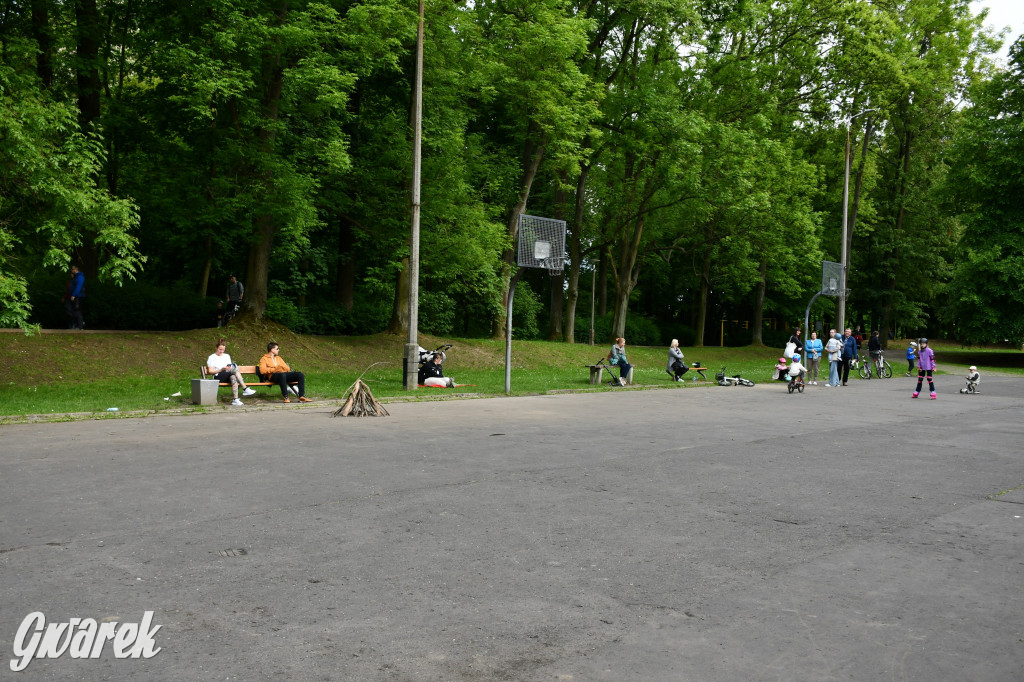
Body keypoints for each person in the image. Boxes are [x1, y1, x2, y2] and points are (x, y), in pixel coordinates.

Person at [206, 338, 256, 406]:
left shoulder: (227, 356)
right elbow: (210, 371)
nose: (221, 351)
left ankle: (235, 399)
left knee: (233, 377)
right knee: (234, 370)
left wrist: (227, 368)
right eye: (220, 349)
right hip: (218, 376)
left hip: (227, 374)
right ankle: (244, 388)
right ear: (216, 348)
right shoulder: (212, 357)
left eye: (223, 350)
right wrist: (221, 369)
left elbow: (229, 367)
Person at [62, 264, 86, 330]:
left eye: (72, 269)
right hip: (72, 296)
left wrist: (74, 295)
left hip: (78, 296)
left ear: (76, 269)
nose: (71, 270)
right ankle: (75, 324)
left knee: (77, 310)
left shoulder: (80, 277)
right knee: (70, 310)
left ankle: (80, 326)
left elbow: (78, 287)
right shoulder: (75, 277)